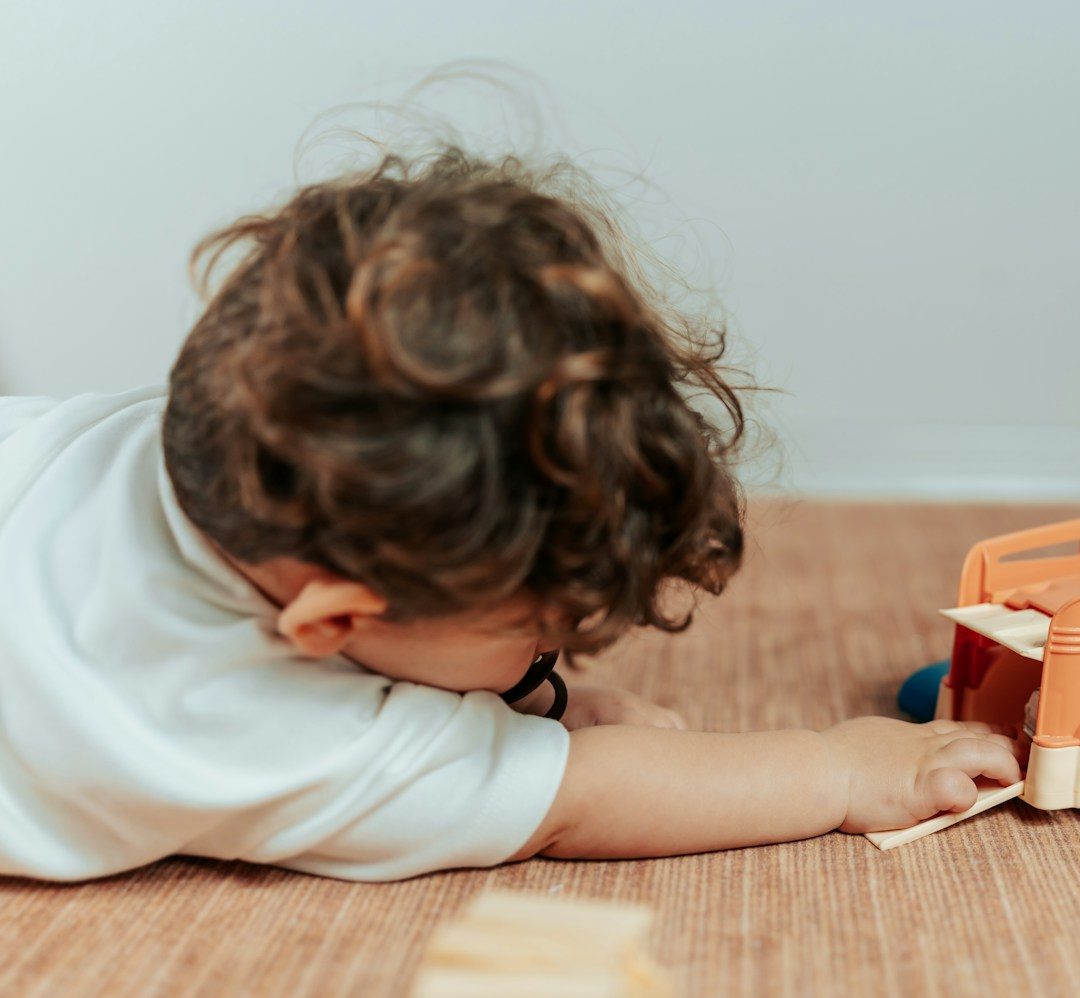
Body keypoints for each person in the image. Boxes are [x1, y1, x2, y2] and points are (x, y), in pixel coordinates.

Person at [0, 149, 1021, 881]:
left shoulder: (218, 428)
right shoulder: (253, 733)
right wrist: (836, 770)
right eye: (536, 635)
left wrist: (525, 692)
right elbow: (577, 801)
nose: (554, 658)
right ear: (332, 620)